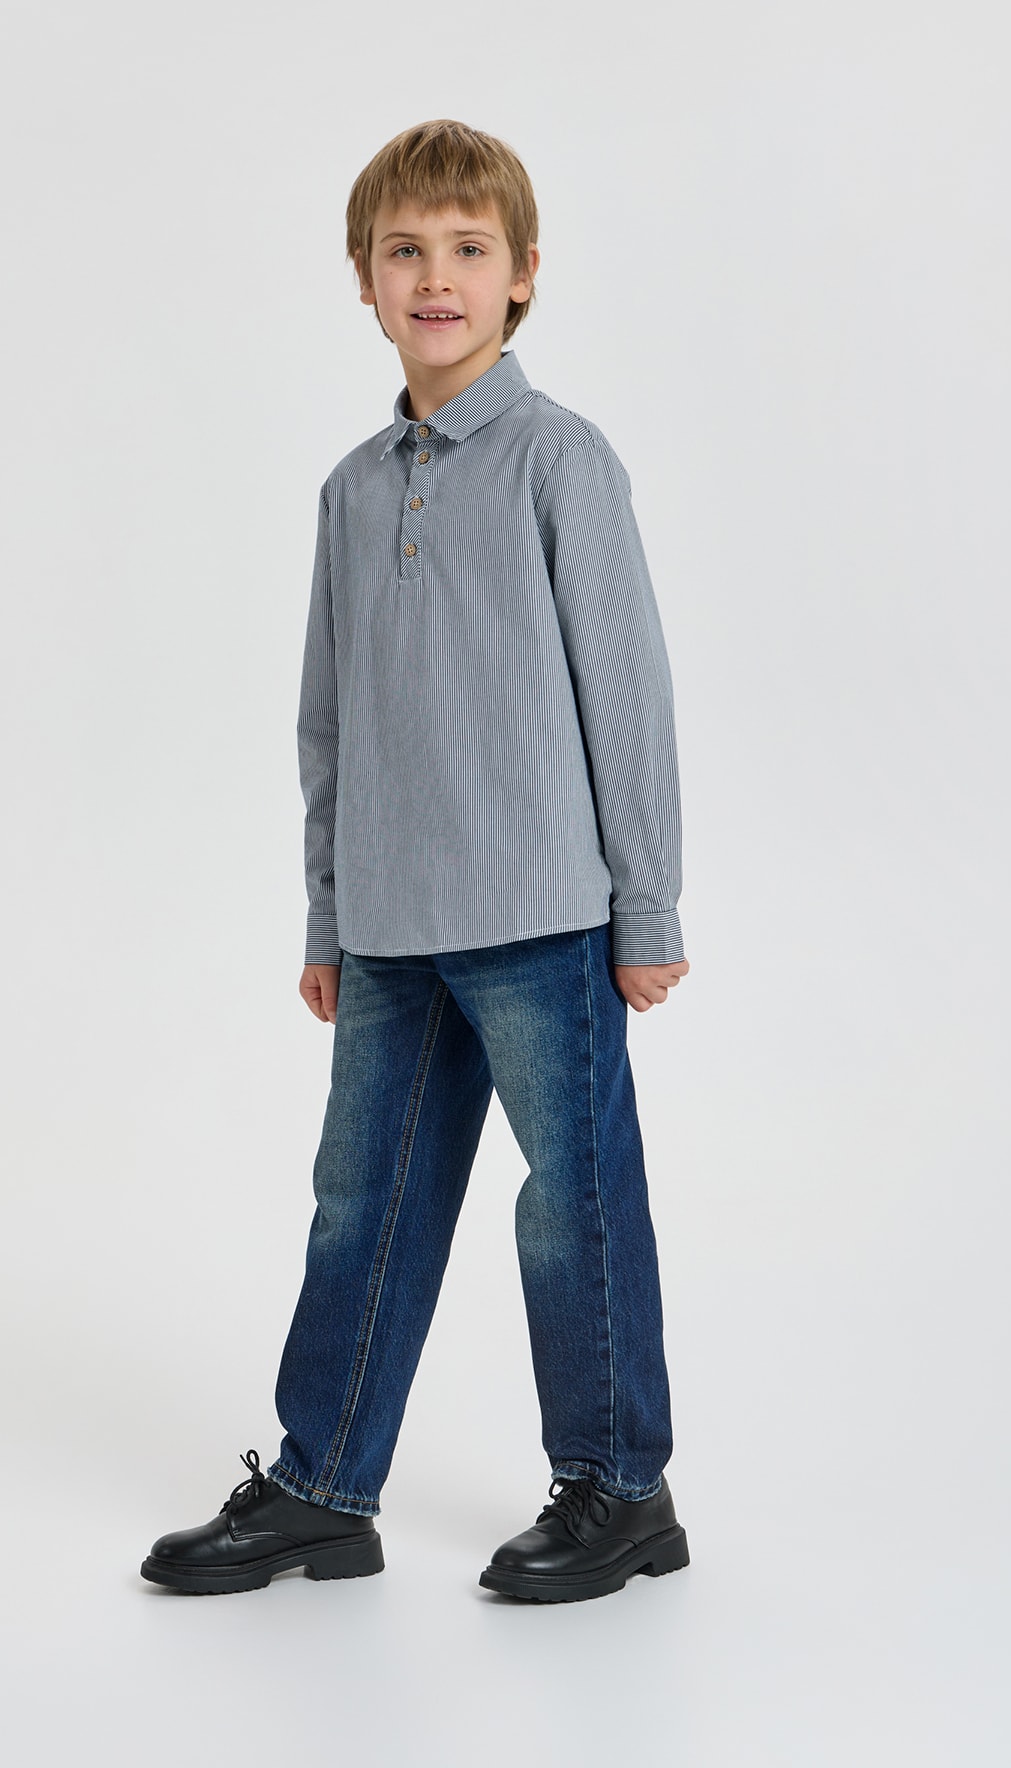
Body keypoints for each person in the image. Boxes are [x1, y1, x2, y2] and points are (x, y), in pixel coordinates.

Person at [140, 118, 691, 1604]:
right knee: (362, 1205)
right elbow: (328, 724)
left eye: (467, 249)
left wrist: (645, 903)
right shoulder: (352, 488)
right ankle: (324, 1486)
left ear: (521, 277)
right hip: (390, 928)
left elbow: (627, 692)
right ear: (365, 280)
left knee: (571, 1208)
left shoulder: (563, 460)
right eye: (405, 251)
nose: (435, 276)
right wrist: (329, 915)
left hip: (541, 916)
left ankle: (622, 1486)